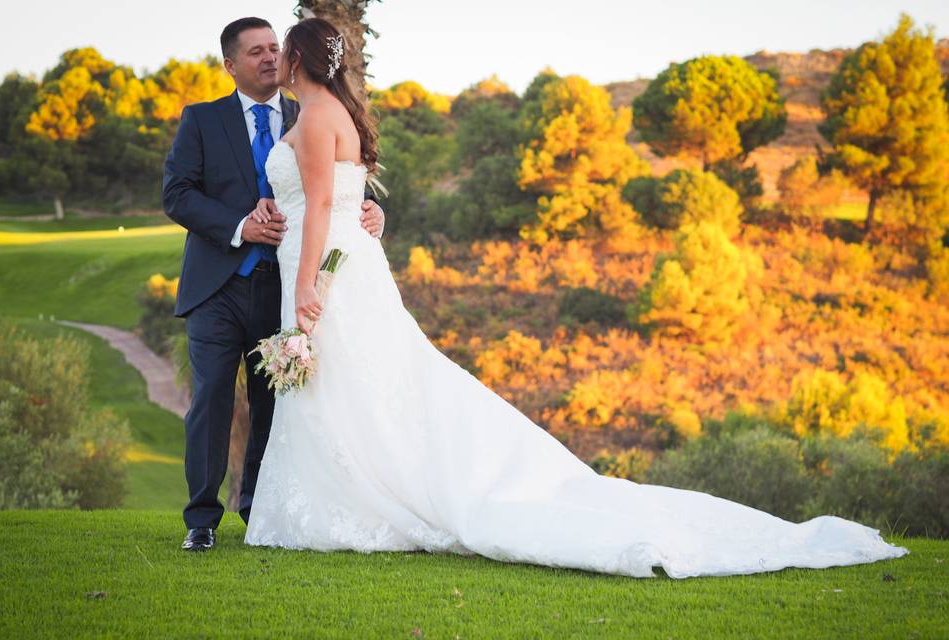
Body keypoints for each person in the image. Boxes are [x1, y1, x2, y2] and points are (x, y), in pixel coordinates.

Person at [243, 17, 909, 578]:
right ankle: (354, 498)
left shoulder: (318, 116)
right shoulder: (337, 113)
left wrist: (307, 284)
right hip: (342, 259)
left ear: (298, 58)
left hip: (326, 266)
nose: (276, 60)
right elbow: (343, 199)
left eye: (282, 52)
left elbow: (328, 202)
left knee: (355, 378)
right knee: (365, 380)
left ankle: (364, 504)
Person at [162, 16, 385, 552]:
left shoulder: (308, 110)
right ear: (229, 63)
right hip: (218, 285)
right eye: (256, 51)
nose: (268, 58)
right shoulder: (201, 120)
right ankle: (201, 519)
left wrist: (374, 210)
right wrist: (240, 225)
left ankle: (261, 510)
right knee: (212, 398)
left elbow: (339, 189)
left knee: (277, 402)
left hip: (283, 283)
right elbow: (179, 194)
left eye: (273, 49)